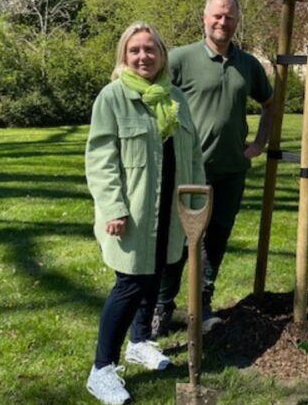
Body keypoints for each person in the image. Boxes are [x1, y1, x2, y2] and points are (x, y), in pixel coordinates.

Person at [84, 22, 205, 405]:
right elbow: (101, 161)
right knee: (129, 285)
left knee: (156, 277)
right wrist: (114, 208)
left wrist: (197, 206)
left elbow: (194, 156)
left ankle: (139, 342)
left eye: (150, 50)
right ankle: (101, 369)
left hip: (170, 212)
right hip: (132, 213)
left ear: (162, 55)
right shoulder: (113, 97)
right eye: (135, 50)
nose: (143, 57)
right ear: (124, 55)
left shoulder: (175, 99)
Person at [150, 0, 274, 337]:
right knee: (176, 243)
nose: (223, 22)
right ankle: (162, 307)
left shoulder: (247, 64)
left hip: (231, 171)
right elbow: (152, 100)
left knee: (215, 240)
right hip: (187, 171)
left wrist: (259, 144)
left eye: (230, 17)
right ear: (205, 18)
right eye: (218, 15)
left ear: (237, 21)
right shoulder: (179, 59)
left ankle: (202, 306)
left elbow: (269, 103)